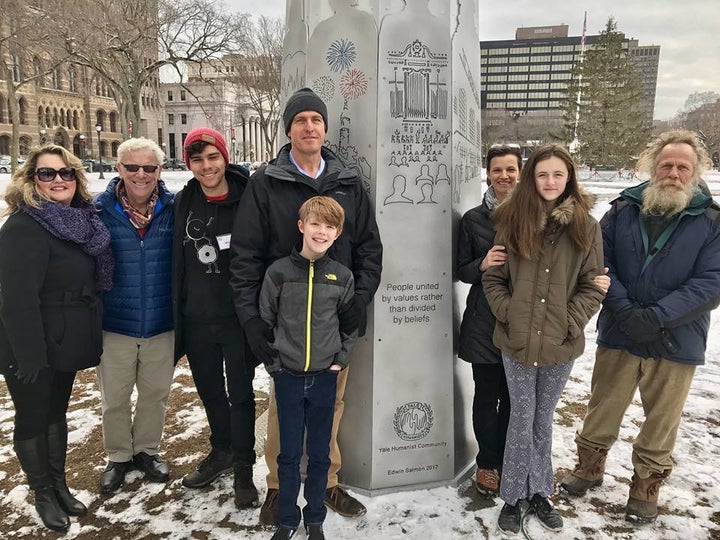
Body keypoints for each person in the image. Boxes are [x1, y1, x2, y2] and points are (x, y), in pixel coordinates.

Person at [230, 87, 383, 526]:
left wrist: (360, 300)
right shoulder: (266, 182)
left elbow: (370, 248)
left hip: (336, 320)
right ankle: (280, 490)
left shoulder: (349, 182)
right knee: (285, 406)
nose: (309, 127)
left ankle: (326, 480)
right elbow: (245, 257)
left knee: (331, 404)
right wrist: (253, 322)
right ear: (289, 129)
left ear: (326, 128)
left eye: (316, 119)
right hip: (287, 323)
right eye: (301, 120)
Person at [560, 130, 720, 523]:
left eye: (683, 166)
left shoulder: (712, 221)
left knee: (663, 416)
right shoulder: (623, 210)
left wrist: (656, 316)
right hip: (621, 327)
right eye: (666, 164)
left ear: (696, 171)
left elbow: (710, 281)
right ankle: (589, 466)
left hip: (676, 336)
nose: (673, 172)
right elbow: (599, 263)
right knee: (604, 402)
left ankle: (646, 482)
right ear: (652, 166)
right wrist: (626, 309)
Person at [482, 144, 606, 533]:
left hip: (559, 343)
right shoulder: (511, 220)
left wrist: (571, 321)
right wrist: (511, 316)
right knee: (521, 415)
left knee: (542, 418)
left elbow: (594, 284)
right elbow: (494, 278)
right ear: (531, 178)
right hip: (517, 342)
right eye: (542, 174)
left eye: (557, 174)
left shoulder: (586, 225)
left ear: (568, 177)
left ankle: (539, 491)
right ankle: (514, 495)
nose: (550, 182)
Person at [0, 145, 112, 531]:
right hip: (28, 344)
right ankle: (42, 493)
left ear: (76, 178)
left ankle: (59, 485)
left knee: (56, 414)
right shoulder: (22, 227)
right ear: (32, 181)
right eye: (47, 174)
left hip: (63, 339)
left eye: (65, 173)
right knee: (33, 419)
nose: (58, 180)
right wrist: (30, 355)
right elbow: (17, 298)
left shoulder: (79, 222)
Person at [260, 196, 356, 540]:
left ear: (337, 233)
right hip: (287, 375)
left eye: (329, 226)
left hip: (324, 377)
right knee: (288, 455)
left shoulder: (341, 276)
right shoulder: (279, 273)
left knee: (319, 453)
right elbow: (265, 321)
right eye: (315, 224)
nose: (321, 231)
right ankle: (287, 518)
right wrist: (275, 364)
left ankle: (314, 518)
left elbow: (350, 324)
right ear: (301, 226)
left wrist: (338, 361)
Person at [172, 127, 258, 508]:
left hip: (237, 318)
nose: (206, 167)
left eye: (212, 158)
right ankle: (221, 450)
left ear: (225, 157)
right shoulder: (183, 201)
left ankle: (243, 466)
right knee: (210, 392)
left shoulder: (250, 198)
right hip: (196, 318)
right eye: (198, 160)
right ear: (189, 164)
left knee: (240, 394)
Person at [94, 138, 175, 493]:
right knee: (115, 398)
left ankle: (146, 451)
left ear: (159, 171)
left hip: (161, 322)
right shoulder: (98, 211)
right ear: (118, 169)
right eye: (132, 167)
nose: (141, 175)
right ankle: (118, 456)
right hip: (115, 324)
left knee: (155, 395)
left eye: (149, 168)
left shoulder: (175, 208)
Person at [456, 144, 521, 496]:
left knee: (516, 398)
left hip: (523, 323)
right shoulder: (473, 219)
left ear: (520, 173)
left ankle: (512, 458)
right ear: (488, 173)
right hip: (484, 322)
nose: (504, 176)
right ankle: (487, 464)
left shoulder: (537, 214)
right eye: (497, 170)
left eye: (510, 169)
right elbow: (460, 271)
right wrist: (482, 265)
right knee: (486, 396)